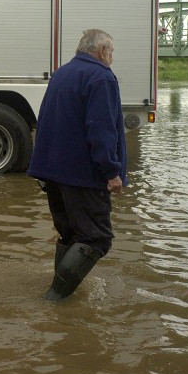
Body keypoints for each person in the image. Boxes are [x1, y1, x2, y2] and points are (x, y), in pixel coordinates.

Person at [27, 29, 128, 301]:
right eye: (112, 52)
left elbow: (45, 118)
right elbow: (102, 130)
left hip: (53, 172)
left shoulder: (62, 73)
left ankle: (59, 299)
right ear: (102, 50)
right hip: (83, 175)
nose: (112, 58)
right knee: (96, 238)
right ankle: (55, 299)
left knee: (71, 235)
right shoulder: (101, 77)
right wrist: (111, 171)